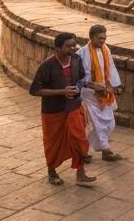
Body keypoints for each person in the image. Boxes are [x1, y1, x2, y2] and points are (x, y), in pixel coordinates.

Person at [29, 32, 96, 187]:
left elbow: (80, 80)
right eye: (68, 46)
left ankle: (81, 174)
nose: (72, 48)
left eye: (74, 45)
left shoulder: (77, 60)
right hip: (53, 110)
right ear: (57, 48)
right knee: (53, 143)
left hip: (73, 107)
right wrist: (61, 92)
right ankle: (52, 171)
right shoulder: (48, 65)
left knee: (80, 140)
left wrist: (90, 85)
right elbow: (35, 90)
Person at [77, 24, 124, 162]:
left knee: (109, 122)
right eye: (99, 38)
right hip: (89, 93)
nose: (102, 41)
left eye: (104, 38)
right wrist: (92, 85)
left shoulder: (105, 49)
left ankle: (87, 149)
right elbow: (80, 75)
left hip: (105, 92)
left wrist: (115, 85)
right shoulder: (82, 53)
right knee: (96, 123)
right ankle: (105, 150)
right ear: (91, 37)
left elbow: (111, 68)